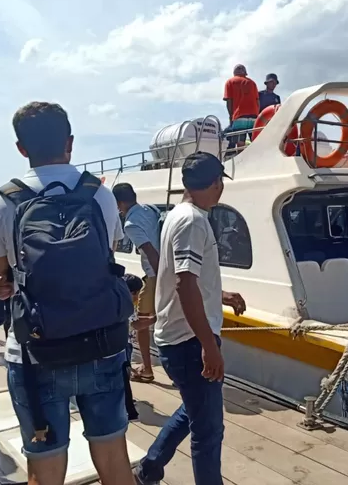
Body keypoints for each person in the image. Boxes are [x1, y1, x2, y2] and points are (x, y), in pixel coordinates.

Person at [0, 102, 136, 485]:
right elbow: (109, 257)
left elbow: (4, 276)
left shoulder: (2, 202)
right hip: (101, 344)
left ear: (21, 147)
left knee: (46, 471)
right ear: (70, 142)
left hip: (36, 354)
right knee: (115, 463)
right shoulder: (98, 195)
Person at [135, 152, 246, 485]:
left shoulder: (177, 215)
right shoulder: (194, 221)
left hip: (179, 339)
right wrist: (209, 345)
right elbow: (184, 283)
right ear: (215, 184)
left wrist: (220, 294)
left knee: (194, 411)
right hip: (188, 342)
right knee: (209, 431)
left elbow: (186, 278)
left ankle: (148, 469)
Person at [113, 183, 160, 384]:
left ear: (121, 203)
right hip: (166, 271)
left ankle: (147, 369)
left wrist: (163, 279)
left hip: (155, 274)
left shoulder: (130, 224)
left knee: (141, 323)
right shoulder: (151, 209)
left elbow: (150, 251)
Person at [122, 273, 145, 422]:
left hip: (124, 345)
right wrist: (156, 319)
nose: (137, 297)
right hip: (124, 346)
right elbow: (135, 324)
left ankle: (125, 403)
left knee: (124, 375)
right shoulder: (127, 306)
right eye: (136, 294)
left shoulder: (119, 303)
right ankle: (129, 409)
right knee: (123, 377)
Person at [223, 64, 259, 151]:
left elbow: (229, 101)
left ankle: (241, 161)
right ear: (245, 72)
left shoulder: (230, 82)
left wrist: (231, 117)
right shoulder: (252, 83)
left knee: (240, 143)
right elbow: (257, 101)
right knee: (255, 141)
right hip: (254, 116)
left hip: (239, 116)